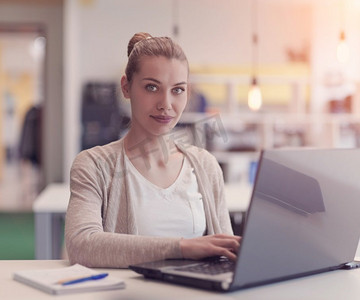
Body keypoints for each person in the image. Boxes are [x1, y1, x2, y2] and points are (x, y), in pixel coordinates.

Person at [65, 32, 241, 268]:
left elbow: (225, 251)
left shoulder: (205, 165)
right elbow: (81, 245)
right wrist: (181, 248)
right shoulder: (93, 165)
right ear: (126, 88)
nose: (165, 105)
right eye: (151, 87)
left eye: (177, 90)